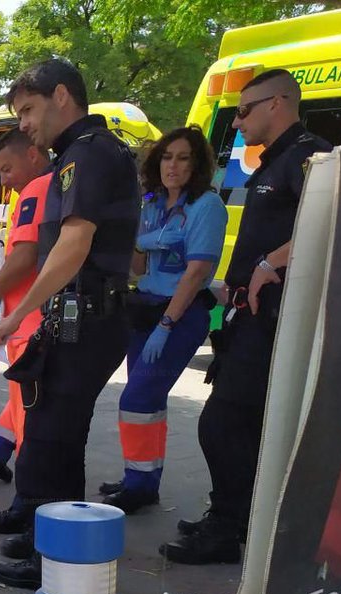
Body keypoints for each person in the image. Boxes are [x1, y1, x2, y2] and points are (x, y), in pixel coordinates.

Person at [0, 59, 140, 594]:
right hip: (81, 318)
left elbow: (73, 246)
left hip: (89, 321)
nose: (24, 124)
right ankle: (54, 562)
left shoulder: (91, 152)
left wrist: (16, 314)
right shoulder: (87, 152)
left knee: (51, 444)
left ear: (62, 96)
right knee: (53, 442)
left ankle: (63, 584)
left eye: (28, 109)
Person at [162, 69, 331, 564]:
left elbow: (335, 219)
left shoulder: (309, 158)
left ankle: (227, 527)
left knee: (222, 423)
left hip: (275, 318)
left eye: (243, 110)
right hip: (247, 317)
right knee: (243, 425)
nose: (236, 122)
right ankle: (233, 519)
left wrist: (268, 263)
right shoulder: (274, 163)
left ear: (277, 103)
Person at [95, 127, 227, 514]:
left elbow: (196, 272)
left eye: (183, 157)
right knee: (148, 402)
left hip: (178, 314)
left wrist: (167, 326)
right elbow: (137, 267)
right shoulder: (151, 206)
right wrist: (138, 241)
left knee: (137, 397)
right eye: (167, 156)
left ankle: (139, 483)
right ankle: (142, 479)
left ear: (196, 163)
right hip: (146, 308)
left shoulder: (207, 207)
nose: (173, 165)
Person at [0, 128, 53, 484]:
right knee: (30, 406)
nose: (4, 179)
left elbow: (23, 257)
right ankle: (1, 452)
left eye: (8, 169)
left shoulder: (36, 190)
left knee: (29, 415)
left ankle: (28, 494)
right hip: (39, 319)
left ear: (33, 155)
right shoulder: (61, 185)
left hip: (28, 324)